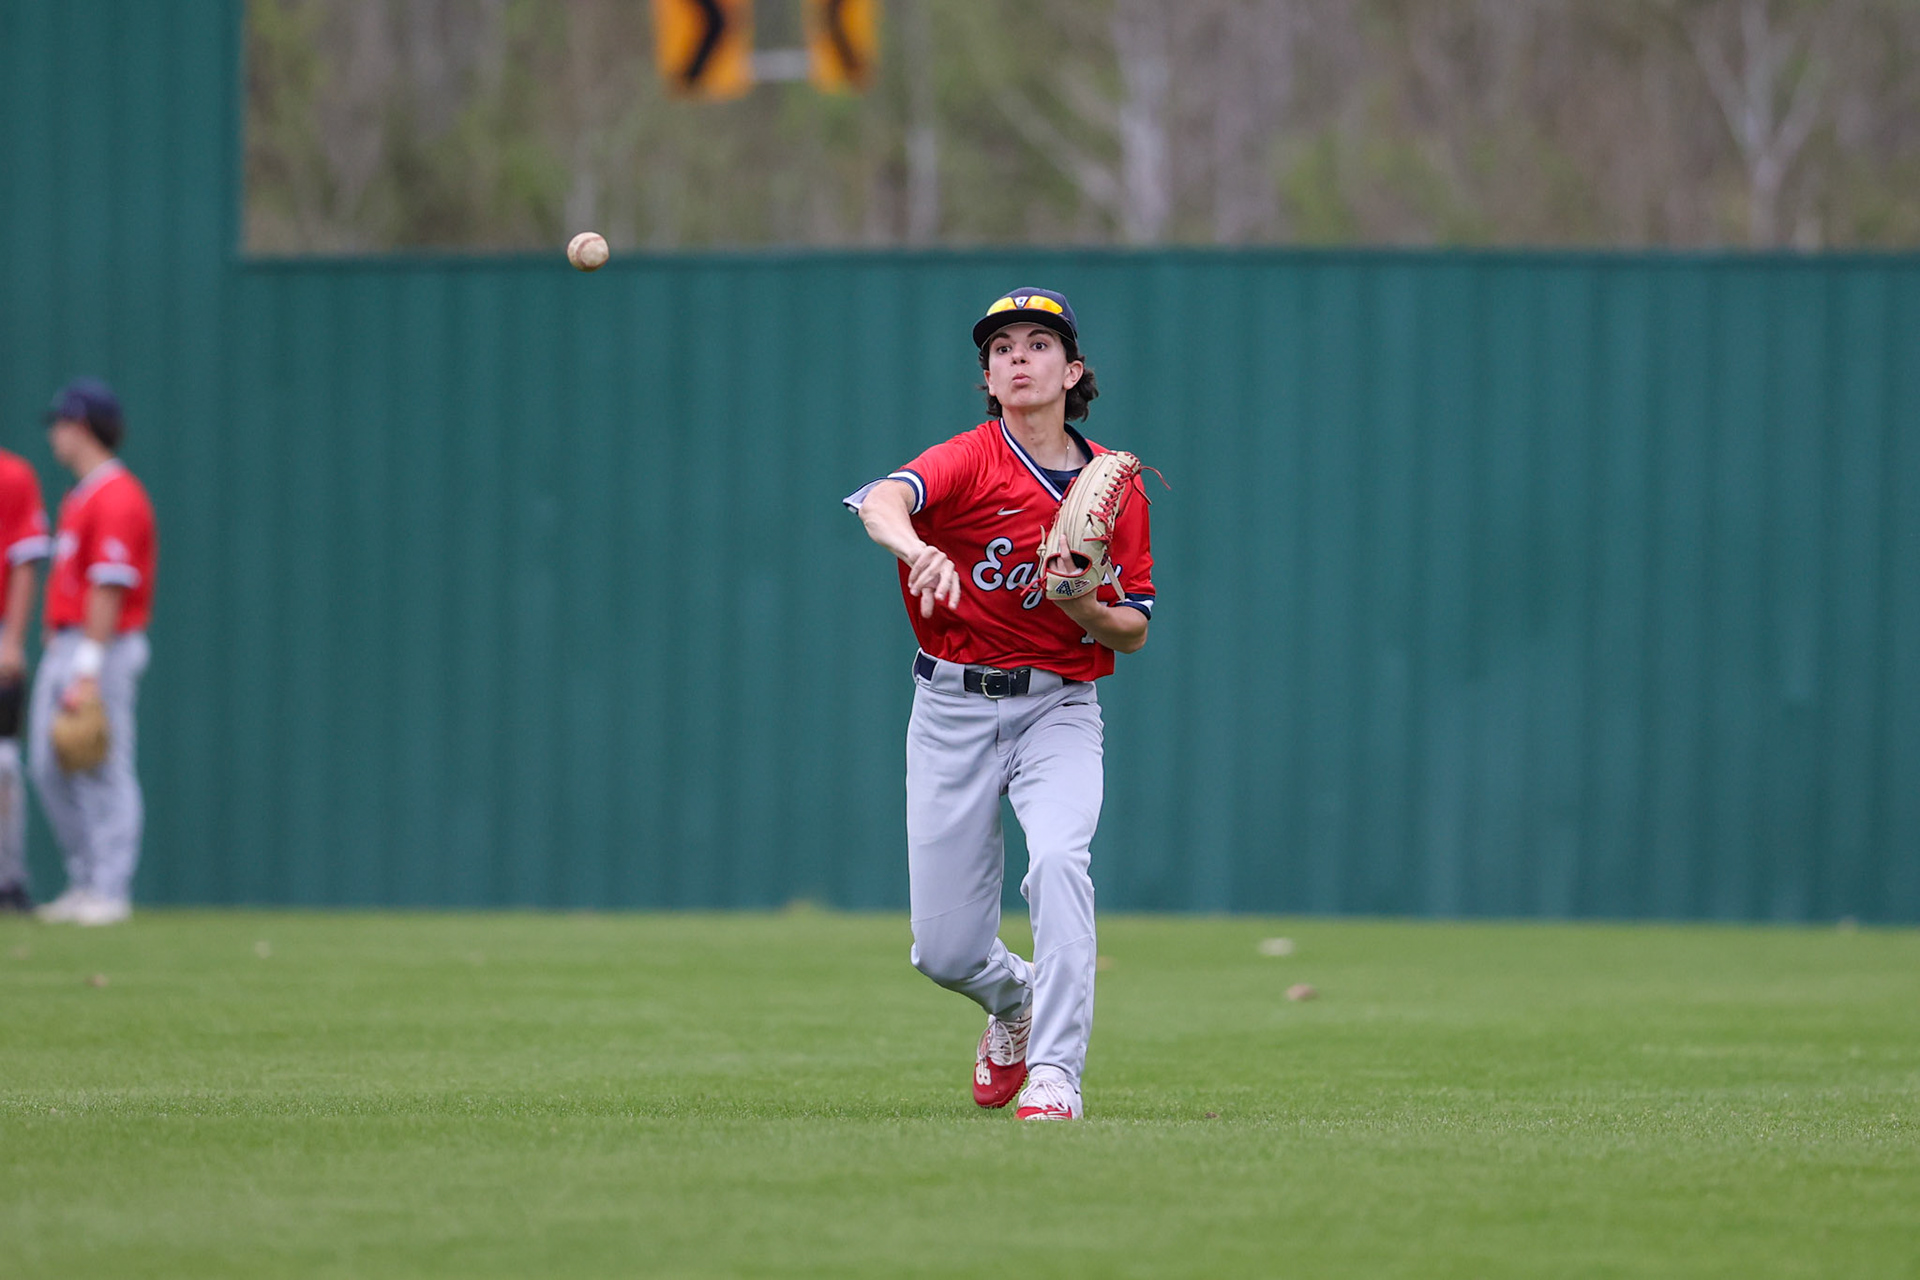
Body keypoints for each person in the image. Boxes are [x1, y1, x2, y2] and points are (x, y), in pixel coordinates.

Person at [846, 288, 1156, 1121]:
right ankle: (1013, 1000)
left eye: (1038, 343)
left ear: (1073, 369)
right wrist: (916, 550)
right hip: (949, 706)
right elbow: (881, 501)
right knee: (942, 952)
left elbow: (1133, 629)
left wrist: (1085, 606)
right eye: (1002, 348)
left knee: (1058, 862)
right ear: (987, 377)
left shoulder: (1110, 486)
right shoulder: (971, 459)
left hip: (1058, 706)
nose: (1019, 357)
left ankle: (1057, 1073)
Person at [31, 379, 157, 927]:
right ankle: (85, 881)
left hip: (99, 647)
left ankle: (110, 888)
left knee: (102, 766)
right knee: (50, 765)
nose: (54, 434)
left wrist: (87, 665)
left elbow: (109, 587)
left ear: (81, 426)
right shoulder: (80, 494)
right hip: (68, 642)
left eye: (60, 423)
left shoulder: (118, 494)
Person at [0, 443, 51, 912]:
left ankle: (8, 881)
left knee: (3, 764)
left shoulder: (13, 475)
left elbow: (24, 561)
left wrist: (13, 640)